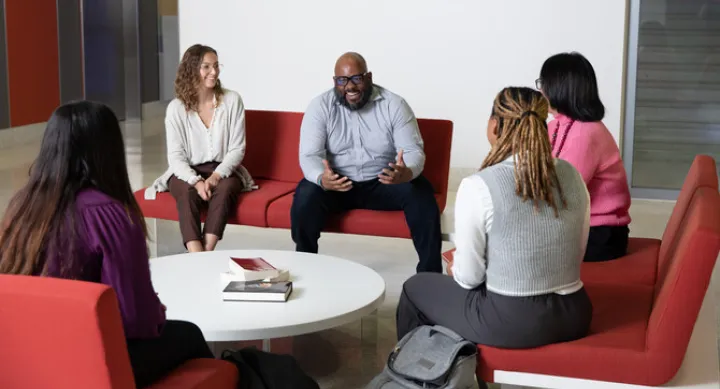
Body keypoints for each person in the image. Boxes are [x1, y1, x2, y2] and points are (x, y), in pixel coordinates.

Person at [0, 101, 215, 388]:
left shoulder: (22, 208)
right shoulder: (107, 214)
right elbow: (135, 320)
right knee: (189, 335)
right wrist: (156, 312)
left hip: (30, 361)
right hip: (91, 364)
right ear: (108, 151)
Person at [396, 87, 593, 386]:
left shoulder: (480, 185)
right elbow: (577, 253)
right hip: (576, 314)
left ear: (495, 126)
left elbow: (468, 279)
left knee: (415, 288)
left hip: (513, 323)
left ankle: (420, 377)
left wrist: (457, 266)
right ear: (542, 127)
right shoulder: (571, 174)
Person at [291, 52, 442, 273]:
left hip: (384, 180)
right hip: (338, 183)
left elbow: (412, 150)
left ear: (368, 77)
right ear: (335, 82)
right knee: (305, 195)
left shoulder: (394, 104)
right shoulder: (320, 106)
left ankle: (429, 276)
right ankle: (305, 267)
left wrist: (406, 172)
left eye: (356, 78)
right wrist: (322, 179)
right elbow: (309, 155)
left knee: (420, 193)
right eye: (342, 80)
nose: (349, 86)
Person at [145, 44, 256, 253]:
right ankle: (197, 255)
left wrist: (215, 176)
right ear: (192, 69)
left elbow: (237, 149)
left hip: (223, 169)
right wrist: (196, 182)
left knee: (225, 189)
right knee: (186, 194)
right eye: (206, 67)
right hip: (186, 171)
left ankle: (206, 252)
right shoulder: (176, 109)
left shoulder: (232, 101)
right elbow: (176, 158)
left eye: (216, 66)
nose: (213, 72)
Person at [537, 52, 632, 262]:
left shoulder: (585, 133)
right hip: (577, 226)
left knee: (516, 244)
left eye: (543, 83)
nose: (541, 90)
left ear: (559, 87)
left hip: (600, 235)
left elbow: (562, 192)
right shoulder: (556, 125)